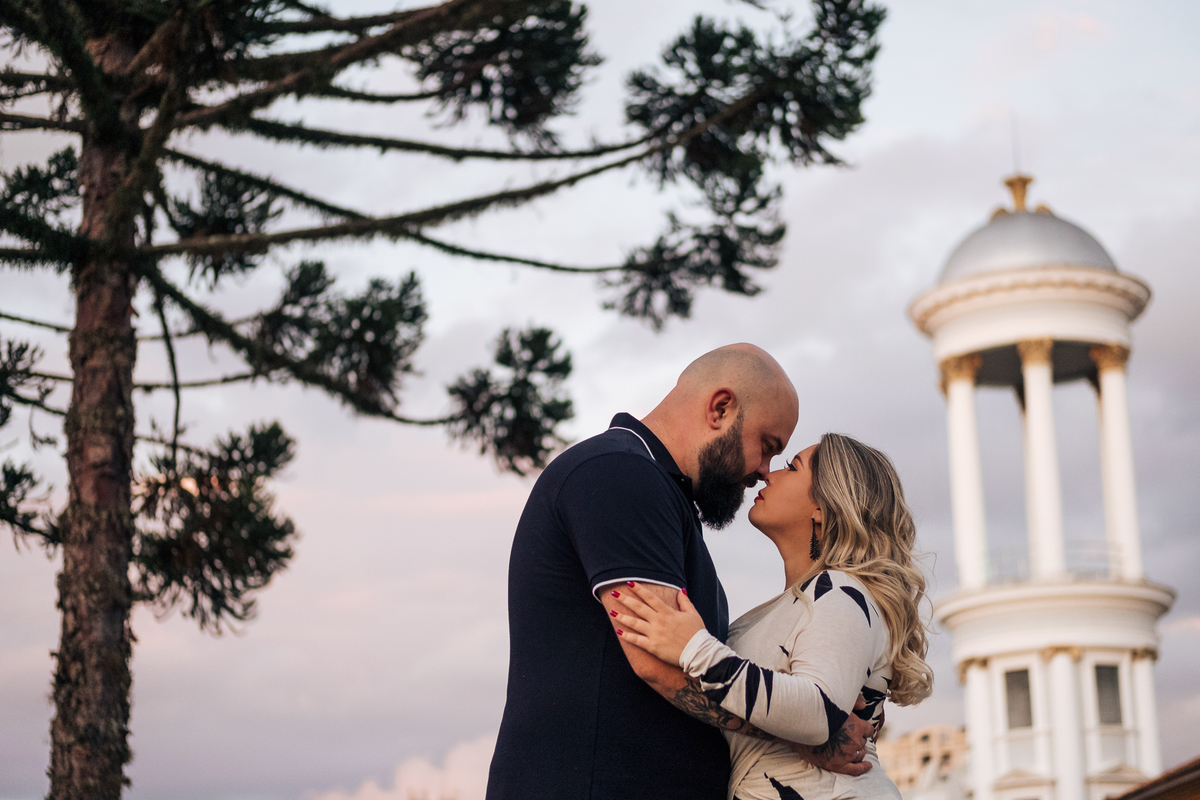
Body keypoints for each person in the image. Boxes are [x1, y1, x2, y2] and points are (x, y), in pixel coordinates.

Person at [485, 345, 874, 800]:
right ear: (720, 408)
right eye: (767, 447)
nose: (763, 471)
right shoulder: (621, 474)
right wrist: (810, 730)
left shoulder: (659, 493)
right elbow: (658, 661)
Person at [611, 433, 933, 800]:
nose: (769, 474)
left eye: (792, 467)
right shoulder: (803, 601)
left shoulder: (841, 590)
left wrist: (694, 649)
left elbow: (818, 712)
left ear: (823, 507)